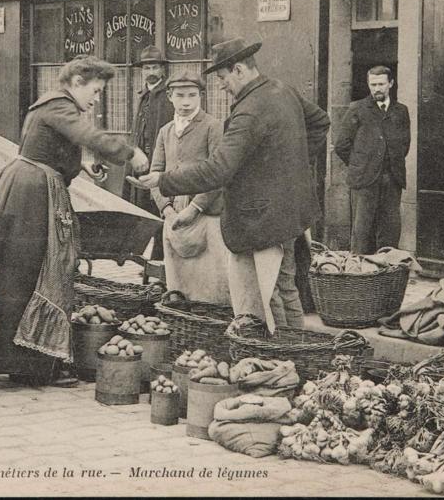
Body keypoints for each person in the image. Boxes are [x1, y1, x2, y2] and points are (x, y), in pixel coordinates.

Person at [0, 55, 150, 387]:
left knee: (28, 271)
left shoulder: (54, 106)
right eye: (95, 90)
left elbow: (57, 147)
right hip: (32, 196)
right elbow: (88, 135)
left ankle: (28, 361)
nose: (95, 99)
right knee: (36, 271)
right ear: (77, 82)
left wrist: (82, 168)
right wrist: (129, 153)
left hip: (29, 190)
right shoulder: (59, 106)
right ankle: (30, 365)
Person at [132, 38, 330, 331]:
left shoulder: (248, 111)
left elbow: (218, 170)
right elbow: (321, 122)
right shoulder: (282, 88)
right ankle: (296, 350)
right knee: (286, 284)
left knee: (268, 292)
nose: (222, 86)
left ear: (238, 70)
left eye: (223, 78)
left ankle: (279, 354)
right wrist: (289, 165)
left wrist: (162, 180)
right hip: (293, 210)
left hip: (264, 216)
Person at [149, 69, 230, 305]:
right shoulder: (165, 132)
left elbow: (218, 173)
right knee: (178, 282)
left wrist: (195, 207)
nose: (186, 102)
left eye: (192, 95)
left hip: (206, 214)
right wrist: (167, 209)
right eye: (180, 95)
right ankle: (182, 322)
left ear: (201, 96)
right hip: (174, 214)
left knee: (211, 282)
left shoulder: (213, 127)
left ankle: (209, 324)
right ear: (169, 97)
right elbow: (156, 174)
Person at [334, 65, 411, 255]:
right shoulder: (357, 109)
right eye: (373, 84)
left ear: (390, 84)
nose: (377, 88)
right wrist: (360, 165)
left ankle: (386, 275)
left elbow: (404, 144)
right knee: (362, 231)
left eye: (381, 84)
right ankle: (361, 276)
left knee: (390, 231)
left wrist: (392, 162)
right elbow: (341, 145)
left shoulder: (401, 111)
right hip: (364, 180)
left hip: (392, 179)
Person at [123, 45, 175, 260]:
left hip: (158, 163)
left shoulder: (167, 96)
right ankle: (139, 258)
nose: (150, 72)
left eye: (154, 67)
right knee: (141, 209)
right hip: (140, 163)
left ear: (162, 70)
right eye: (146, 68)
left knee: (160, 208)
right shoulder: (144, 95)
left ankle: (158, 260)